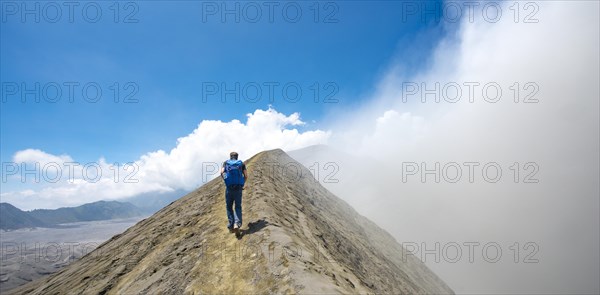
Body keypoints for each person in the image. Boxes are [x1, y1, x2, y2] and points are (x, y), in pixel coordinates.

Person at [220, 151, 248, 233]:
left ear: (230, 156)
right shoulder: (241, 164)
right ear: (237, 157)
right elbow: (246, 176)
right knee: (238, 206)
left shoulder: (226, 163)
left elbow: (221, 172)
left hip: (229, 188)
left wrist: (226, 180)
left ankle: (231, 225)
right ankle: (237, 224)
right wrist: (242, 183)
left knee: (229, 207)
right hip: (238, 188)